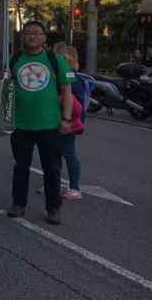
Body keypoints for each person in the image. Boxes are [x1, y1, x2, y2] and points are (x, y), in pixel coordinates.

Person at [6, 21, 74, 225]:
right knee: (21, 167)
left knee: (52, 169)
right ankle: (18, 204)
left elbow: (67, 92)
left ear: (44, 38)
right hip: (21, 125)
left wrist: (66, 119)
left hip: (50, 125)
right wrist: (4, 119)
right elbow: (6, 91)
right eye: (27, 33)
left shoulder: (56, 59)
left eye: (36, 33)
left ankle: (53, 208)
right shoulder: (15, 59)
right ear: (22, 37)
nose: (32, 36)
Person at [53, 42, 88, 201]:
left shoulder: (69, 77)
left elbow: (76, 103)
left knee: (68, 154)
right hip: (63, 121)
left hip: (67, 122)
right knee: (58, 154)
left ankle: (74, 188)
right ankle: (56, 184)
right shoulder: (74, 76)